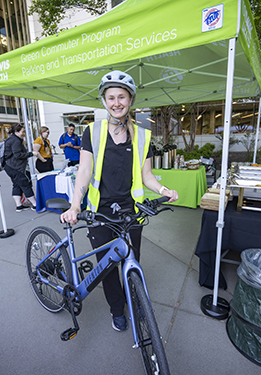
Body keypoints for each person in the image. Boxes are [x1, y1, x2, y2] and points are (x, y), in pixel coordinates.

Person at [60, 70, 178, 332]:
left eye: (121, 97)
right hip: (100, 213)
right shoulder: (92, 131)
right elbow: (84, 170)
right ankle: (117, 309)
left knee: (131, 261)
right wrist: (76, 204)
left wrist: (163, 188)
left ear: (130, 100)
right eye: (111, 97)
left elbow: (147, 176)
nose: (116, 102)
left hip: (131, 213)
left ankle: (135, 300)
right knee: (108, 267)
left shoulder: (143, 135)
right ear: (104, 101)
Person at [3, 123, 37, 212]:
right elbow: (18, 155)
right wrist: (31, 154)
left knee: (16, 185)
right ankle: (35, 205)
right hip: (17, 168)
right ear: (16, 131)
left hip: (9, 167)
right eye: (23, 131)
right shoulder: (16, 141)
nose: (24, 133)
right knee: (25, 184)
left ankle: (19, 206)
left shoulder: (10, 139)